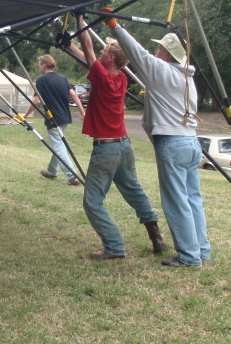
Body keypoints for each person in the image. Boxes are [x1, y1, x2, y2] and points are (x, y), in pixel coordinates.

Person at [106, 12, 211, 268]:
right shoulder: (186, 77)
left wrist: (115, 26)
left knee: (176, 201)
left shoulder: (162, 70)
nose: (155, 51)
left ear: (167, 54)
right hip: (191, 142)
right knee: (192, 199)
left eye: (159, 48)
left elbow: (137, 53)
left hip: (172, 143)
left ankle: (189, 256)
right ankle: (201, 249)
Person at [70, 15, 167, 259]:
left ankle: (114, 247)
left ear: (111, 57)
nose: (101, 52)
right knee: (134, 191)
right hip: (124, 147)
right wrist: (68, 45)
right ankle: (156, 237)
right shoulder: (121, 78)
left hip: (106, 150)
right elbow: (90, 62)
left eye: (105, 50)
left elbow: (88, 50)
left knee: (92, 202)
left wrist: (80, 22)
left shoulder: (103, 78)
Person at [25, 54, 85, 186]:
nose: (39, 68)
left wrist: (25, 115)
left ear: (43, 65)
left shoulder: (41, 80)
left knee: (58, 147)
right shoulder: (63, 78)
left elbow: (36, 101)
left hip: (53, 118)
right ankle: (52, 171)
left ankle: (72, 176)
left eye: (40, 65)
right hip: (64, 117)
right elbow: (74, 95)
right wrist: (82, 112)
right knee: (59, 145)